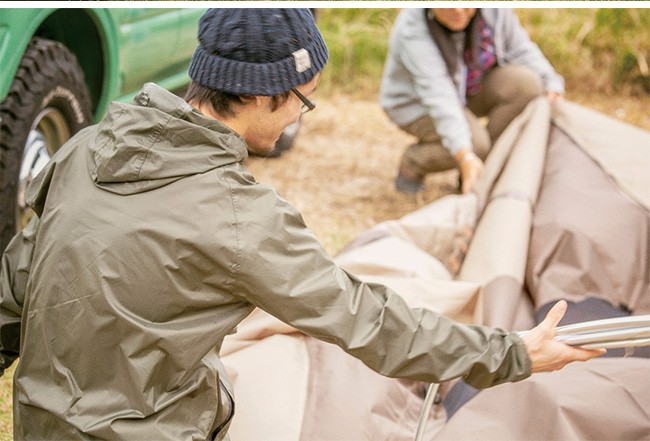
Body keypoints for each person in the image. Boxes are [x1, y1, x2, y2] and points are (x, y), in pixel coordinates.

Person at [0, 9, 602, 441]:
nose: (298, 120)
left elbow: (12, 296)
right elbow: (370, 321)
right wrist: (512, 351)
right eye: (302, 101)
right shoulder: (240, 217)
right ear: (265, 96)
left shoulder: (84, 149)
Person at [380, 8, 565, 194]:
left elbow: (520, 48)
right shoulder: (412, 29)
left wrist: (551, 82)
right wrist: (465, 154)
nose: (459, 10)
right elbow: (439, 95)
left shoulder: (495, 11)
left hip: (468, 86)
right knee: (475, 144)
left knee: (526, 85)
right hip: (417, 102)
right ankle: (414, 161)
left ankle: (482, 171)